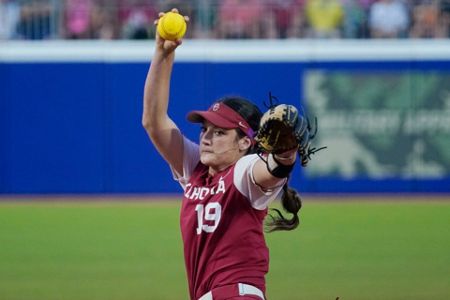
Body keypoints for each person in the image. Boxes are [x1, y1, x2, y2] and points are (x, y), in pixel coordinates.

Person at [142, 8, 306, 300]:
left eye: (219, 132)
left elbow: (270, 170)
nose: (206, 137)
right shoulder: (195, 169)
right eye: (205, 129)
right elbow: (153, 122)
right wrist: (162, 52)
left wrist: (285, 154)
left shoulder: (243, 173)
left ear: (244, 143)